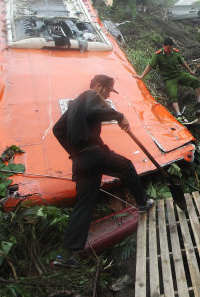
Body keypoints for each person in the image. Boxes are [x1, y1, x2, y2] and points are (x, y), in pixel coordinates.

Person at [52, 74, 154, 267]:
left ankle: (67, 256)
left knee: (84, 204)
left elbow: (58, 129)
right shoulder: (91, 96)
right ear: (98, 86)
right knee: (126, 166)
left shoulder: (74, 104)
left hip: (80, 160)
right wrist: (119, 115)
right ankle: (143, 203)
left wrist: (75, 151)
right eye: (107, 90)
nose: (108, 96)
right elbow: (93, 111)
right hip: (94, 153)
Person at [134, 38, 200, 123]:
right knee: (173, 94)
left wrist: (190, 70)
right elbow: (150, 66)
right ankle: (178, 114)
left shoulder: (175, 52)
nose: (170, 50)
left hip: (179, 74)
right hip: (169, 78)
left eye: (171, 48)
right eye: (168, 48)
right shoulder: (158, 55)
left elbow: (182, 62)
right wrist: (142, 76)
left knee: (195, 81)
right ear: (163, 46)